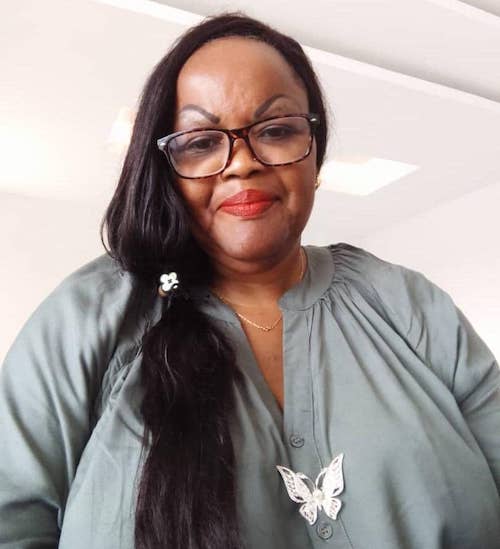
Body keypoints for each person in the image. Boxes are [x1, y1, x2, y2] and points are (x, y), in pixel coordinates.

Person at [0, 12, 499, 549]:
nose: (241, 164)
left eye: (276, 130)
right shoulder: (88, 317)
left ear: (315, 153)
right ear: (164, 168)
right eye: (201, 141)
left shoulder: (409, 305)